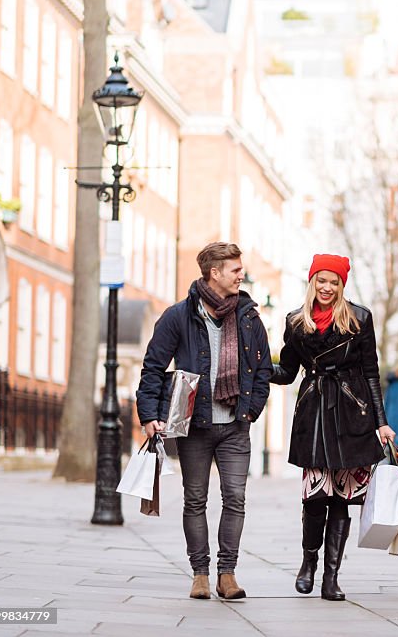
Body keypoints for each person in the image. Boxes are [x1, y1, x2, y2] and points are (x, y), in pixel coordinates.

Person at [136, 242, 272, 601]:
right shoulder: (178, 316)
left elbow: (262, 369)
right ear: (215, 273)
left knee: (235, 498)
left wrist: (253, 407)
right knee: (194, 499)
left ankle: (227, 574)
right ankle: (199, 574)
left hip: (235, 426)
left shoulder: (249, 317)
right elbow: (153, 367)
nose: (241, 275)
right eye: (235, 270)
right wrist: (149, 414)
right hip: (194, 425)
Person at [270, 254, 396, 601]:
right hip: (314, 413)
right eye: (321, 281)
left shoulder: (359, 319)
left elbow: (371, 371)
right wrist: (256, 366)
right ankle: (308, 562)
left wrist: (381, 423)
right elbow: (287, 372)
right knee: (314, 496)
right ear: (312, 282)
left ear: (342, 285)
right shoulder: (296, 322)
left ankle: (331, 577)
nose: (327, 288)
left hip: (351, 413)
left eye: (334, 282)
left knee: (341, 498)